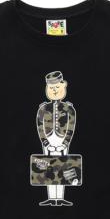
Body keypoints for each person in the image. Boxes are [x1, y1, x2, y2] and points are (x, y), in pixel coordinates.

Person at [36, 71, 76, 206]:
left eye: (57, 87)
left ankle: (60, 197)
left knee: (63, 166)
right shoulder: (42, 108)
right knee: (48, 167)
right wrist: (45, 142)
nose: (54, 90)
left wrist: (65, 143)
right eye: (51, 88)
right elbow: (40, 127)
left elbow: (71, 127)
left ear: (63, 86)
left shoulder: (69, 108)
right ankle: (51, 197)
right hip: (48, 141)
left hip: (63, 140)